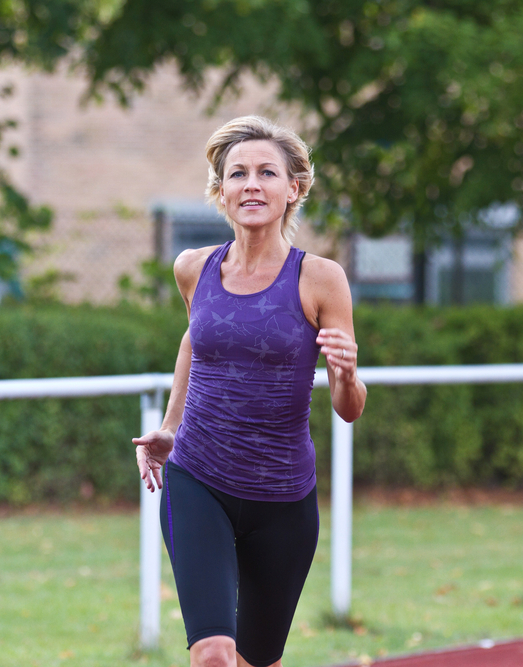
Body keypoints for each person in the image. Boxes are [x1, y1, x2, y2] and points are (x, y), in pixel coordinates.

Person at [133, 115, 366, 667]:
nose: (252, 185)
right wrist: (170, 428)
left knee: (257, 662)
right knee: (214, 653)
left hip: (283, 498)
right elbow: (195, 342)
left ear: (294, 189)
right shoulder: (193, 268)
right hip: (198, 479)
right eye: (237, 174)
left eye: (267, 173)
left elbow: (349, 409)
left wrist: (346, 375)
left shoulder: (320, 278)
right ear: (221, 191)